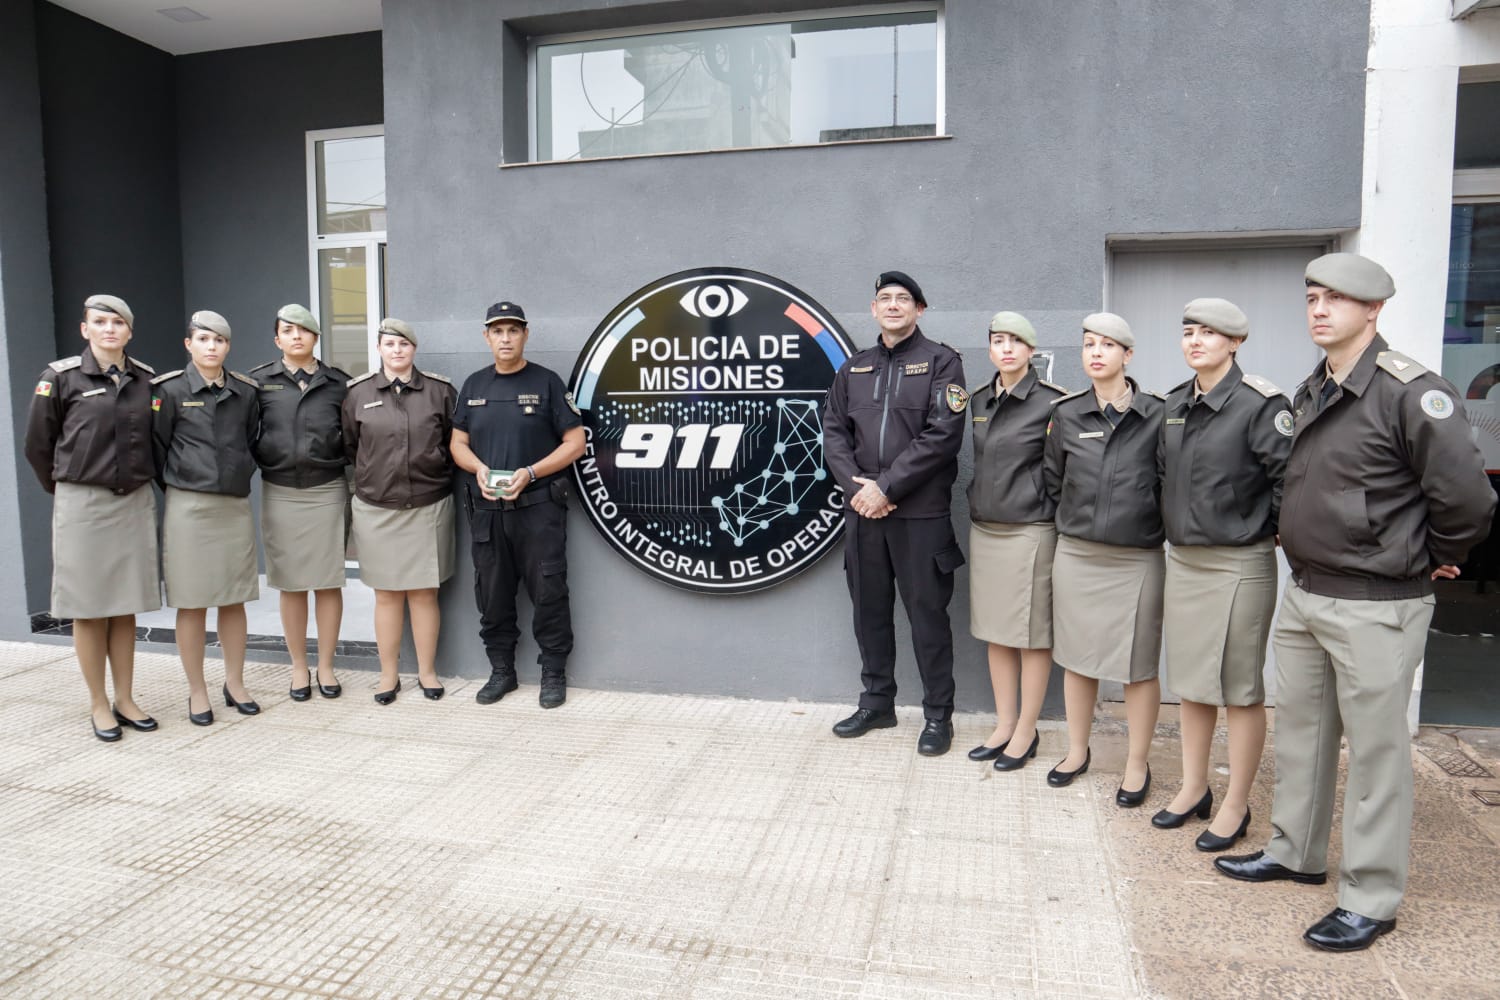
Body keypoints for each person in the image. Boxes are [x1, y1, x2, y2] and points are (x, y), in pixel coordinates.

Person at [1215, 253, 1495, 952]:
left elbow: (1467, 498)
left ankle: (1371, 896)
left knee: (1375, 755)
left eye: (1336, 299)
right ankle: (1295, 851)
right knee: (1302, 735)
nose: (1319, 309)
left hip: (1377, 602)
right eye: (1313, 297)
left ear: (1373, 310)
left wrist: (1432, 552)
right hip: (1308, 592)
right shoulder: (1316, 387)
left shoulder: (1410, 392)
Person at [1153, 298, 1290, 851]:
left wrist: (1263, 527)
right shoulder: (1174, 404)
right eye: (1188, 331)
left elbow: (1288, 480)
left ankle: (1237, 803)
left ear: (1235, 343)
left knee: (1239, 688)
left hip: (1238, 563)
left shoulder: (1260, 403)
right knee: (1191, 682)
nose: (1195, 341)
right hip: (1185, 561)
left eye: (1209, 333)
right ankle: (1193, 787)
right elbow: (1163, 474)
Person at [823, 271, 968, 756]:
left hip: (919, 515)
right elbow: (833, 434)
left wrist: (886, 487)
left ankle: (938, 716)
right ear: (873, 309)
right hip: (863, 512)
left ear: (919, 309)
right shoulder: (854, 369)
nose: (892, 305)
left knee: (927, 617)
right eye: (884, 298)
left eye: (903, 298)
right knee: (869, 612)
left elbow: (942, 436)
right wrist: (860, 489)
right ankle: (877, 703)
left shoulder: (942, 362)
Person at [24, 294, 160, 742]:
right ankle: (98, 703)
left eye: (117, 323)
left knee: (123, 605)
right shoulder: (60, 378)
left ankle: (126, 698)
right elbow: (38, 446)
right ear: (85, 329)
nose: (109, 329)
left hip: (132, 502)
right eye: (100, 322)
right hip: (83, 504)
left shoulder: (145, 379)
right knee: (88, 607)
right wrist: (68, 488)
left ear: (129, 332)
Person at [1042, 313, 1164, 803]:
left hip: (1136, 558)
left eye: (1107, 345)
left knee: (1139, 666)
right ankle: (1077, 751)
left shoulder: (1158, 414)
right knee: (1077, 658)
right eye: (1089, 344)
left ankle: (1137, 763)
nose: (1096, 352)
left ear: (1127, 355)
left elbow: (1168, 480)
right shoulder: (1067, 413)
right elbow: (1054, 480)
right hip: (1078, 555)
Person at [450, 301, 585, 709]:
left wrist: (530, 472)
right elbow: (457, 443)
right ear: (486, 337)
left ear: (525, 334)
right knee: (491, 593)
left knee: (549, 590)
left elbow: (575, 443)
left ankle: (553, 673)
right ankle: (502, 671)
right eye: (497, 331)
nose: (505, 338)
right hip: (488, 512)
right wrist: (478, 469)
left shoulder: (547, 382)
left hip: (538, 509)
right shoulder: (474, 386)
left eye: (513, 330)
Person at [151, 311, 262, 726]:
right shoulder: (168, 390)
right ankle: (197, 690)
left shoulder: (244, 392)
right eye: (203, 339)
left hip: (232, 506)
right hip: (189, 507)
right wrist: (184, 483)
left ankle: (235, 683)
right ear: (189, 344)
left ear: (228, 346)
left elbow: (249, 440)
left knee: (234, 598)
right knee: (192, 601)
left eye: (219, 340)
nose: (211, 347)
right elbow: (157, 447)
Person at [965, 311, 1065, 769]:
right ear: (990, 348)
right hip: (987, 529)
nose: (1006, 349)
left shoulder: (1052, 402)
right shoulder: (979, 399)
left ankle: (1027, 729)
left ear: (1031, 350)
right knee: (996, 632)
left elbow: (1060, 471)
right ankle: (1004, 724)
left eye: (1015, 341)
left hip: (1030, 531)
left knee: (1030, 635)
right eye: (998, 340)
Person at [341, 318, 457, 705]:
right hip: (377, 509)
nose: (397, 350)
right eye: (389, 344)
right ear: (379, 348)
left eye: (403, 344)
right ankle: (388, 674)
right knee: (387, 595)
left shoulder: (440, 391)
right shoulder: (357, 393)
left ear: (414, 349)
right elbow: (351, 446)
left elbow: (453, 443)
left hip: (427, 504)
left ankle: (427, 672)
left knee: (424, 593)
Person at [249, 304, 350, 702]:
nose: (296, 336)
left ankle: (325, 665)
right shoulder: (259, 382)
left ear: (315, 338)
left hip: (327, 489)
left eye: (303, 330)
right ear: (277, 339)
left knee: (327, 581)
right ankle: (297, 666)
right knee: (290, 583)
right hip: (281, 490)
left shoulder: (339, 383)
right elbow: (246, 433)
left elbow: (352, 435)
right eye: (288, 331)